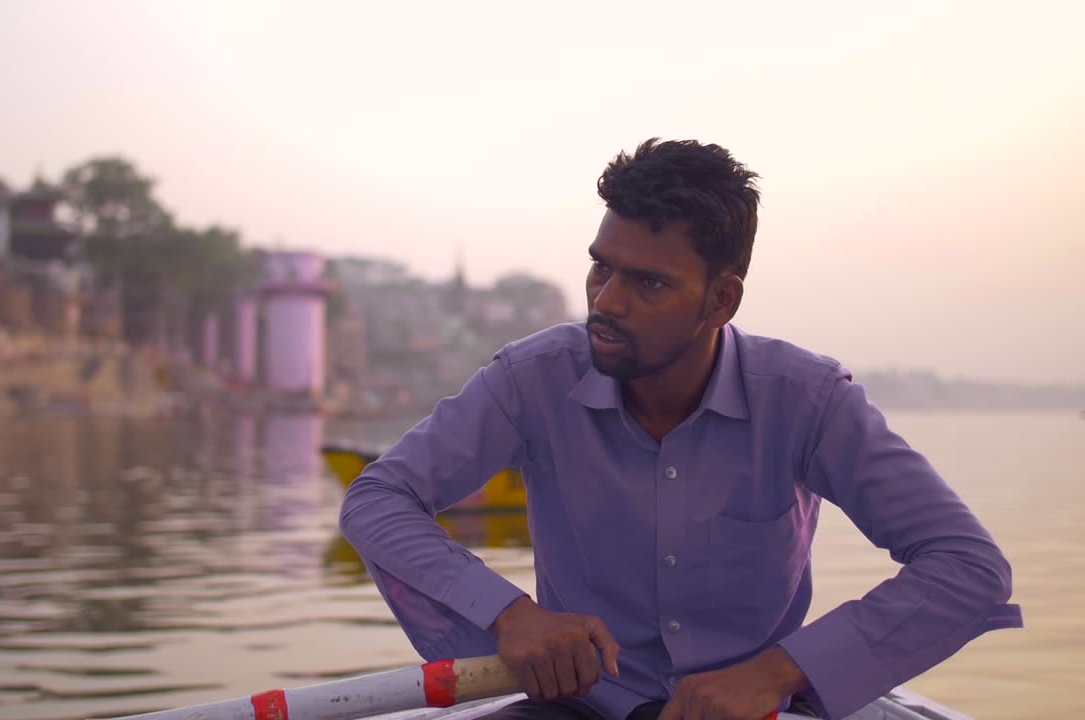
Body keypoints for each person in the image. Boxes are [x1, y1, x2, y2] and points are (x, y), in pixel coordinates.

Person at [338, 139, 1022, 720]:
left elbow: (969, 567)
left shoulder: (807, 401)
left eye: (650, 284)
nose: (607, 300)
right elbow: (377, 500)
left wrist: (780, 672)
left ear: (721, 300)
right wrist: (510, 617)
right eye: (601, 266)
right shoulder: (534, 378)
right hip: (583, 706)